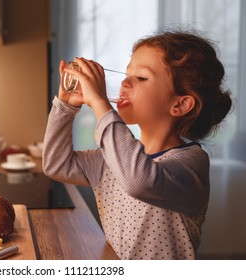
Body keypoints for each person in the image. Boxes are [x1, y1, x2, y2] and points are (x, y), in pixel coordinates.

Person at [42, 30, 232, 260]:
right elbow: (56, 164)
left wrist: (100, 102)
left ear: (180, 105)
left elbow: (139, 180)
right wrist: (65, 106)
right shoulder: (111, 160)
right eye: (126, 74)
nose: (124, 82)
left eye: (141, 77)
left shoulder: (191, 163)